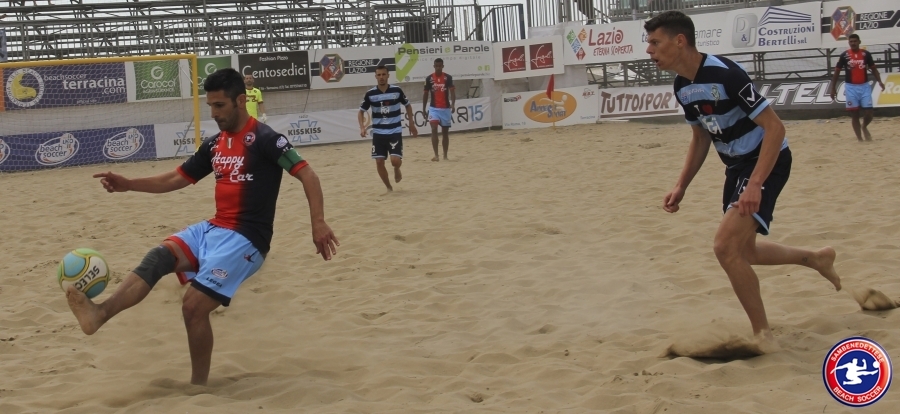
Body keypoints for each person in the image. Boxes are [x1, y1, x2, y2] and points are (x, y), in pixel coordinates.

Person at [66, 68, 339, 385]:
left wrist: (318, 222)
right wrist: (129, 184)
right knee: (158, 258)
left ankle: (198, 387)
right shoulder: (215, 145)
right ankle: (99, 314)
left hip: (247, 240)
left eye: (219, 105)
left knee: (193, 306)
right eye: (210, 105)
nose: (213, 113)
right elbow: (175, 178)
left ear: (240, 101)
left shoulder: (266, 139)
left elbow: (308, 175)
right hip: (213, 228)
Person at [644, 11, 841, 351]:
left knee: (725, 247)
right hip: (736, 167)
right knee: (744, 251)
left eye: (654, 42)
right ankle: (815, 258)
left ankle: (763, 336)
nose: (649, 50)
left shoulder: (725, 74)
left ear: (680, 41)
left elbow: (775, 128)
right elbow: (700, 138)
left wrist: (755, 184)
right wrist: (681, 185)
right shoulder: (682, 86)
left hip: (767, 160)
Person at [358, 65, 417, 191]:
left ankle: (397, 168)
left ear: (388, 76)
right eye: (379, 75)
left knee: (394, 161)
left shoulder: (397, 90)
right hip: (378, 133)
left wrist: (411, 123)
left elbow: (408, 105)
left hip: (394, 131)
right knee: (379, 161)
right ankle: (389, 188)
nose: (381, 77)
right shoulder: (370, 94)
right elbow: (361, 111)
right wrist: (362, 127)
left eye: (383, 74)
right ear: (375, 76)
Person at [829, 34, 885, 141]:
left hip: (864, 86)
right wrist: (833, 88)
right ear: (849, 43)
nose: (853, 43)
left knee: (869, 113)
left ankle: (864, 126)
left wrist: (880, 81)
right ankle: (860, 139)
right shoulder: (844, 55)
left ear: (859, 42)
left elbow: (873, 69)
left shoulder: (866, 54)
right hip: (851, 88)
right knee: (854, 114)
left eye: (855, 41)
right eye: (851, 41)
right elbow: (836, 72)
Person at [423, 58, 455, 161]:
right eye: (436, 66)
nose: (438, 68)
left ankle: (445, 155)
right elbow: (425, 94)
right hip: (434, 109)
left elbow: (452, 92)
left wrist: (453, 104)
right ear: (434, 66)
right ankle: (436, 155)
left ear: (442, 66)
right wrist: (423, 109)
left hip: (445, 109)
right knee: (433, 129)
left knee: (445, 132)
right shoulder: (429, 78)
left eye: (439, 66)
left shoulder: (448, 77)